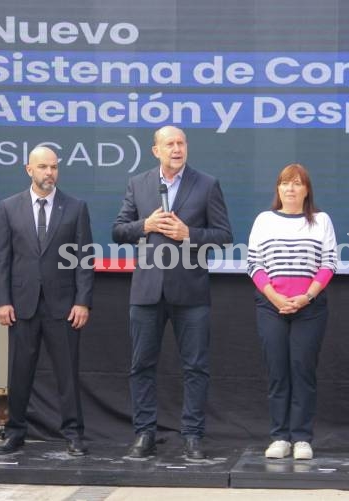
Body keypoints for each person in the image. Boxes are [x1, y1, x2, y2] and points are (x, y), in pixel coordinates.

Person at [112, 125, 233, 460]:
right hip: (147, 291)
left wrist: (188, 233)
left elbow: (224, 235)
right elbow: (119, 230)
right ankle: (144, 433)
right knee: (141, 365)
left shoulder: (207, 184)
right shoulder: (138, 184)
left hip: (191, 291)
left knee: (195, 367)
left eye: (181, 143)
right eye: (170, 144)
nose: (177, 149)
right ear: (156, 151)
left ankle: (192, 435)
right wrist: (145, 226)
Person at [0, 146, 94, 456]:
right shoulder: (9, 207)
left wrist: (83, 301)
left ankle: (74, 435)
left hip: (63, 306)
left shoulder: (75, 207)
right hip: (22, 305)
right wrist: (2, 301)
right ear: (29, 170)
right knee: (19, 372)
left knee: (67, 372)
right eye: (42, 167)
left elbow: (84, 259)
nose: (49, 173)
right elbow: (3, 260)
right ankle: (15, 433)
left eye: (53, 167)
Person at [247, 164, 337, 461]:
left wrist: (306, 296)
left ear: (306, 190)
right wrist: (275, 298)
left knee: (302, 371)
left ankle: (301, 438)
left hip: (309, 308)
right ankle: (279, 436)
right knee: (278, 372)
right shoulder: (264, 220)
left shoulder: (321, 221)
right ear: (278, 189)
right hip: (271, 307)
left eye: (297, 184)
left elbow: (328, 263)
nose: (290, 189)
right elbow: (254, 264)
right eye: (285, 183)